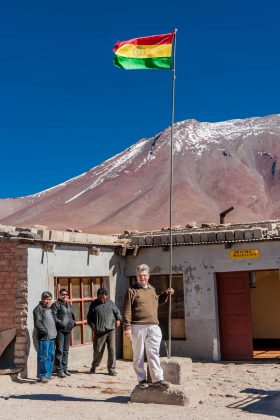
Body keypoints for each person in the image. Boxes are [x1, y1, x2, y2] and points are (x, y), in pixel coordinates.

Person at [123, 264, 174, 389]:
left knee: (153, 352)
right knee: (138, 354)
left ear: (148, 276)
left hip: (153, 325)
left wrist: (166, 294)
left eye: (144, 275)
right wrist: (127, 327)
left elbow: (157, 301)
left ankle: (158, 378)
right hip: (137, 326)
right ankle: (142, 379)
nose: (142, 278)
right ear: (137, 276)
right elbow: (127, 309)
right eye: (140, 275)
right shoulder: (131, 291)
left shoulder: (152, 290)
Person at [87, 287, 122, 376]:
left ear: (106, 296)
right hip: (99, 331)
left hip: (111, 330)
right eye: (100, 297)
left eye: (104, 297)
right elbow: (89, 318)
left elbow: (117, 312)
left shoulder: (111, 303)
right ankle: (94, 366)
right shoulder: (94, 304)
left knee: (112, 350)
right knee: (98, 350)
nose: (102, 299)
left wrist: (118, 319)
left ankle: (111, 369)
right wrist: (93, 327)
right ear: (98, 296)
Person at [51, 288, 76, 378]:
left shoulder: (69, 304)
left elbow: (72, 315)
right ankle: (59, 370)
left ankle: (65, 368)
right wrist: (61, 323)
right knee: (60, 350)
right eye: (63, 294)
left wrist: (73, 322)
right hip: (60, 330)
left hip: (68, 330)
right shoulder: (55, 305)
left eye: (66, 294)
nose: (65, 296)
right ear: (59, 295)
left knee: (66, 351)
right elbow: (53, 317)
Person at [33, 291, 57, 383]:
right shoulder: (38, 309)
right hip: (44, 337)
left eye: (49, 299)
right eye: (46, 299)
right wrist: (45, 332)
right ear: (42, 299)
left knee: (50, 356)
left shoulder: (49, 309)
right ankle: (42, 375)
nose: (48, 301)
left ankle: (48, 374)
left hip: (52, 337)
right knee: (43, 356)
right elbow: (38, 323)